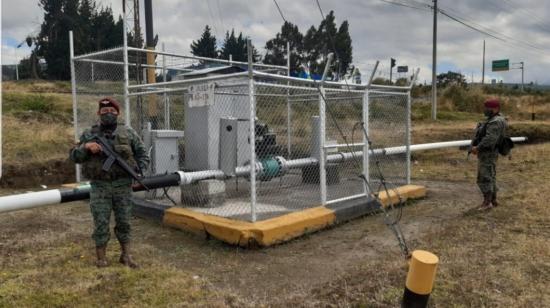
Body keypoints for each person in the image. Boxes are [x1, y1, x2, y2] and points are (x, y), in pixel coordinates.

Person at [70, 98, 150, 268]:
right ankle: (101, 258)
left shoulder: (128, 133)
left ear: (118, 113)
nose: (108, 114)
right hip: (100, 186)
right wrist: (86, 147)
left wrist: (137, 170)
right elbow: (74, 157)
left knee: (125, 221)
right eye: (104, 111)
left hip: (122, 185)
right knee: (100, 222)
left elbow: (143, 155)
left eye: (112, 111)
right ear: (98, 113)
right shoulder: (88, 134)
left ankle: (126, 256)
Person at [470, 98, 507, 210]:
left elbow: (490, 139)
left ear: (495, 108)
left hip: (488, 153)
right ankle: (493, 200)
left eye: (487, 108)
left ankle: (487, 203)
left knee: (484, 177)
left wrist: (478, 148)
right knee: (491, 175)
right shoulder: (495, 119)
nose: (485, 110)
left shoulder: (496, 121)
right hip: (489, 152)